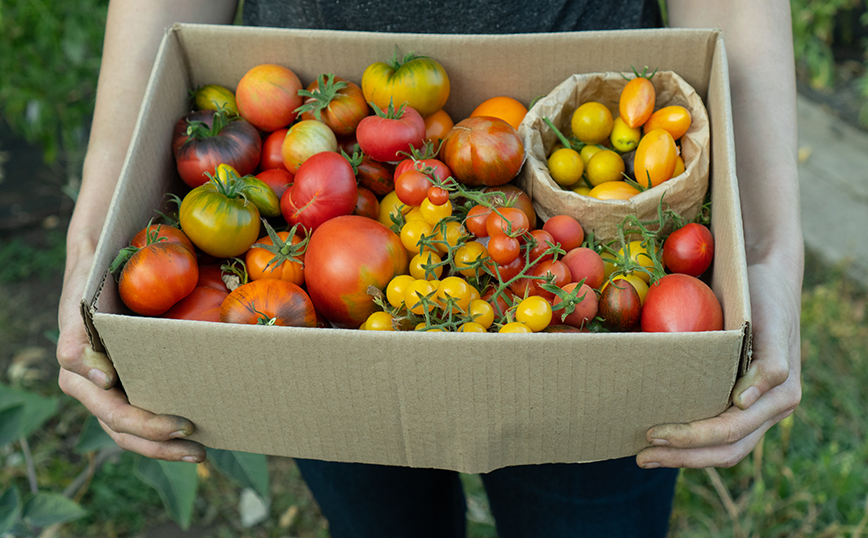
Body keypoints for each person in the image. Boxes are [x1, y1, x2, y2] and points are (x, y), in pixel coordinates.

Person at [56, 0, 803, 535]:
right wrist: (90, 246)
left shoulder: (499, 235)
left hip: (583, 349)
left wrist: (768, 252)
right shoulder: (385, 202)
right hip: (325, 335)